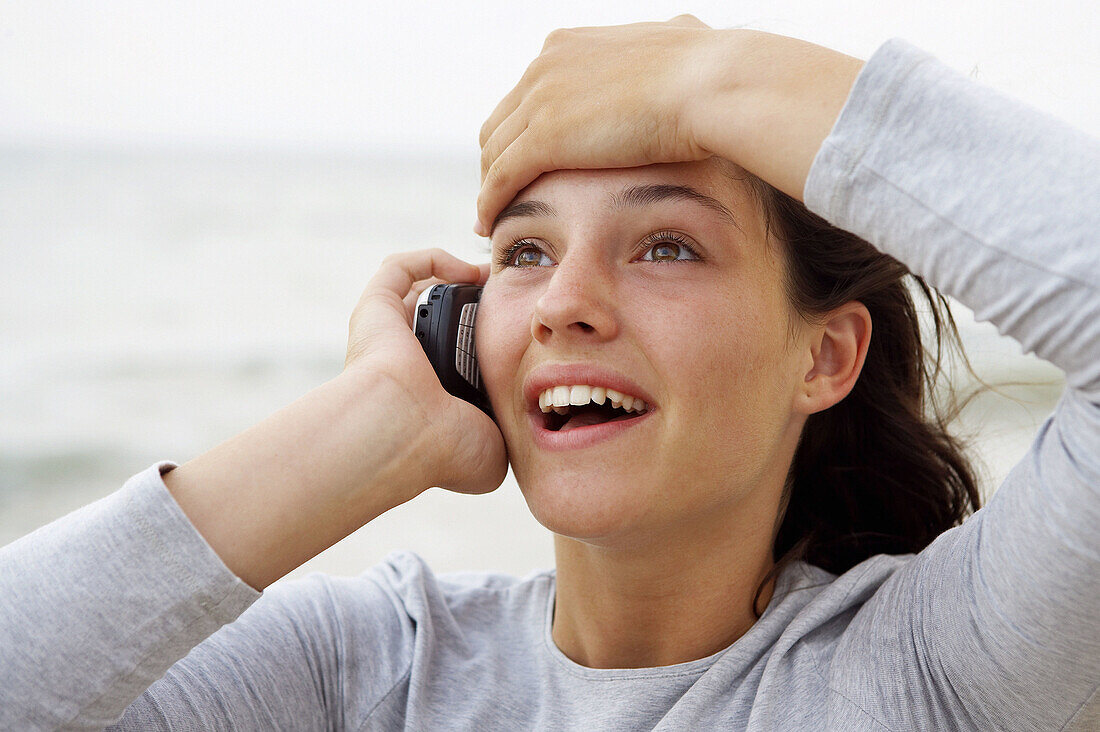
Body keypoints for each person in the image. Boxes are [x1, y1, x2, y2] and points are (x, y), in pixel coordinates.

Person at [1, 16, 1097, 730]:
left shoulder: (936, 674)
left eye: (665, 244)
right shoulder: (364, 673)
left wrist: (707, 70)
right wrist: (373, 421)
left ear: (824, 356)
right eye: (523, 252)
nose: (565, 300)